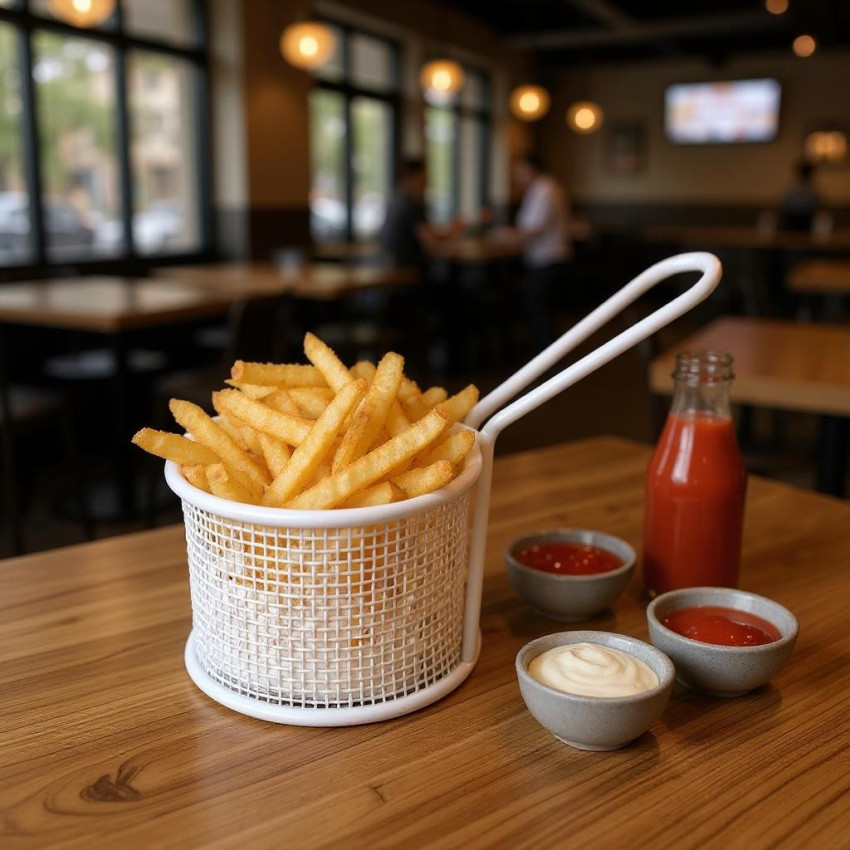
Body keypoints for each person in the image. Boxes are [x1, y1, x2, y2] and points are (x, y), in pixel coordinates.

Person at [495, 154, 571, 350]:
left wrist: (503, 236)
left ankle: (548, 364)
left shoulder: (543, 189)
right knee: (544, 313)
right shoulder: (546, 188)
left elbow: (533, 230)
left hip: (548, 260)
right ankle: (548, 360)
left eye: (519, 172)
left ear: (530, 169)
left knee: (541, 314)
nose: (516, 177)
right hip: (549, 260)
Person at [380, 157, 462, 269]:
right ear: (413, 177)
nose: (426, 183)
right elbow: (431, 244)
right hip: (407, 269)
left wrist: (450, 232)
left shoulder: (397, 200)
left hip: (393, 266)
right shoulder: (411, 204)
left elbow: (428, 235)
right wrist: (452, 236)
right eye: (424, 178)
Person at [778, 160, 822, 232]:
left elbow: (783, 203)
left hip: (803, 219)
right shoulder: (812, 189)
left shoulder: (793, 187)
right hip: (794, 219)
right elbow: (818, 203)